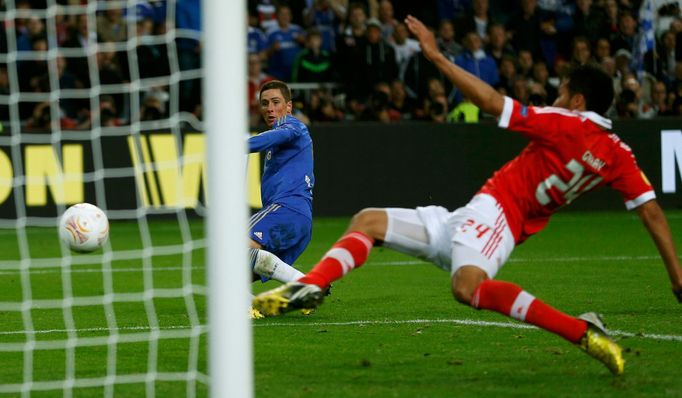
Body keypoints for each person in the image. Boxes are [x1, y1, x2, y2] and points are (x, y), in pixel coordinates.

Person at [253, 16, 682, 376]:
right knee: (368, 221)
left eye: (561, 92)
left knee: (467, 288)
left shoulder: (566, 123)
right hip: (472, 216)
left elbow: (495, 102)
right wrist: (678, 279)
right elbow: (653, 215)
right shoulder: (619, 154)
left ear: (578, 101)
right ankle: (308, 286)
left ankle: (582, 333)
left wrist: (438, 58)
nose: (555, 98)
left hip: (499, 222)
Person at [248, 80, 315, 317]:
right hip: (297, 218)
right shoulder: (278, 140)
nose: (270, 108)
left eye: (276, 102)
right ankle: (255, 305)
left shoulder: (293, 126)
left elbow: (268, 138)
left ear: (288, 106)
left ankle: (306, 285)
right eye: (264, 103)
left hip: (288, 208)